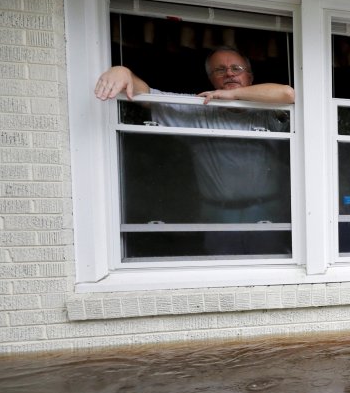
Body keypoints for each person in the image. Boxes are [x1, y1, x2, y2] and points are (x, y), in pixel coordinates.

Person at [94, 47, 296, 256]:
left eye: (237, 68)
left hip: (267, 211)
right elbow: (146, 95)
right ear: (210, 79)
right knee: (224, 276)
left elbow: (287, 94)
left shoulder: (268, 113)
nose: (229, 73)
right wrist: (122, 71)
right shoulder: (199, 109)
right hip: (218, 214)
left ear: (250, 77)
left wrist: (232, 94)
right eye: (219, 70)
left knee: (269, 270)